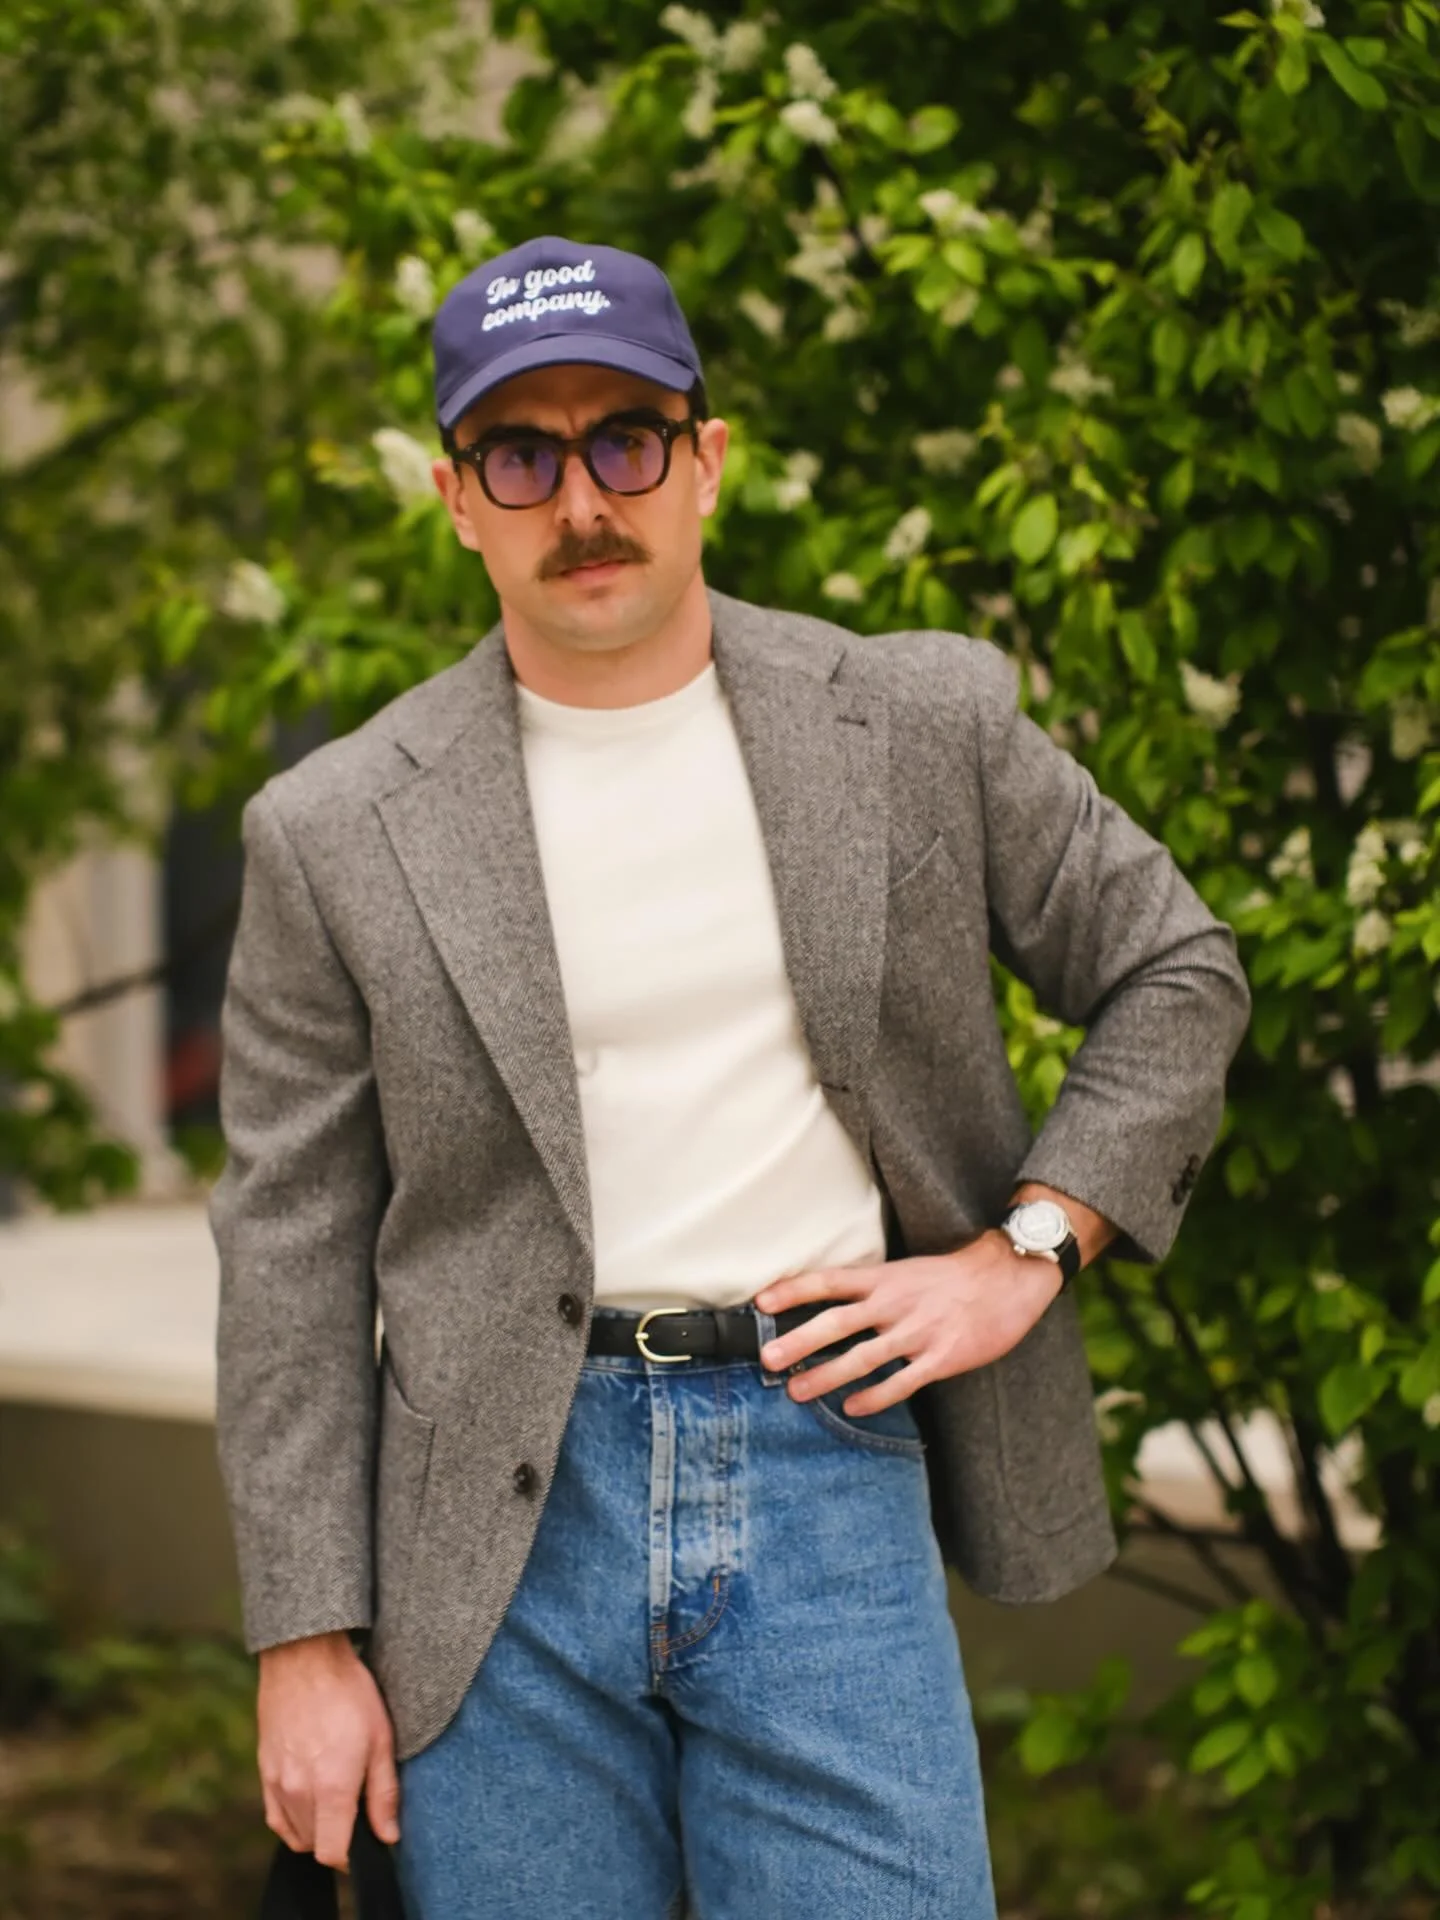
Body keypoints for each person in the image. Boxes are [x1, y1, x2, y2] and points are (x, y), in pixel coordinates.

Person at [210, 234, 1251, 1919]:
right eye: (521, 455)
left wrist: (1027, 1252)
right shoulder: (334, 829)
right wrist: (304, 1639)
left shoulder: (918, 721)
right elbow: (289, 1256)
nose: (582, 500)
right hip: (492, 1537)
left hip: (823, 1454)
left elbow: (1176, 968)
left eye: (625, 437)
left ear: (707, 460)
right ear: (456, 497)